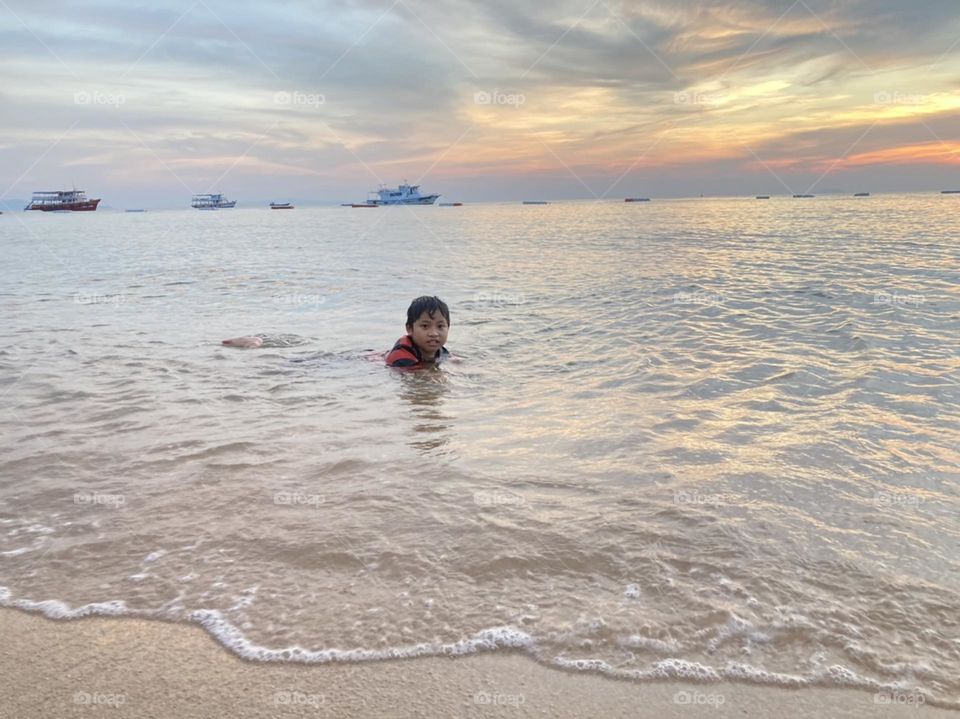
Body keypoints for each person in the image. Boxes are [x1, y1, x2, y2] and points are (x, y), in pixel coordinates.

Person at [385, 296, 450, 369]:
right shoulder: (400, 355)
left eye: (440, 326)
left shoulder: (441, 351)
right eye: (425, 326)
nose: (434, 333)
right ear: (409, 329)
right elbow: (416, 376)